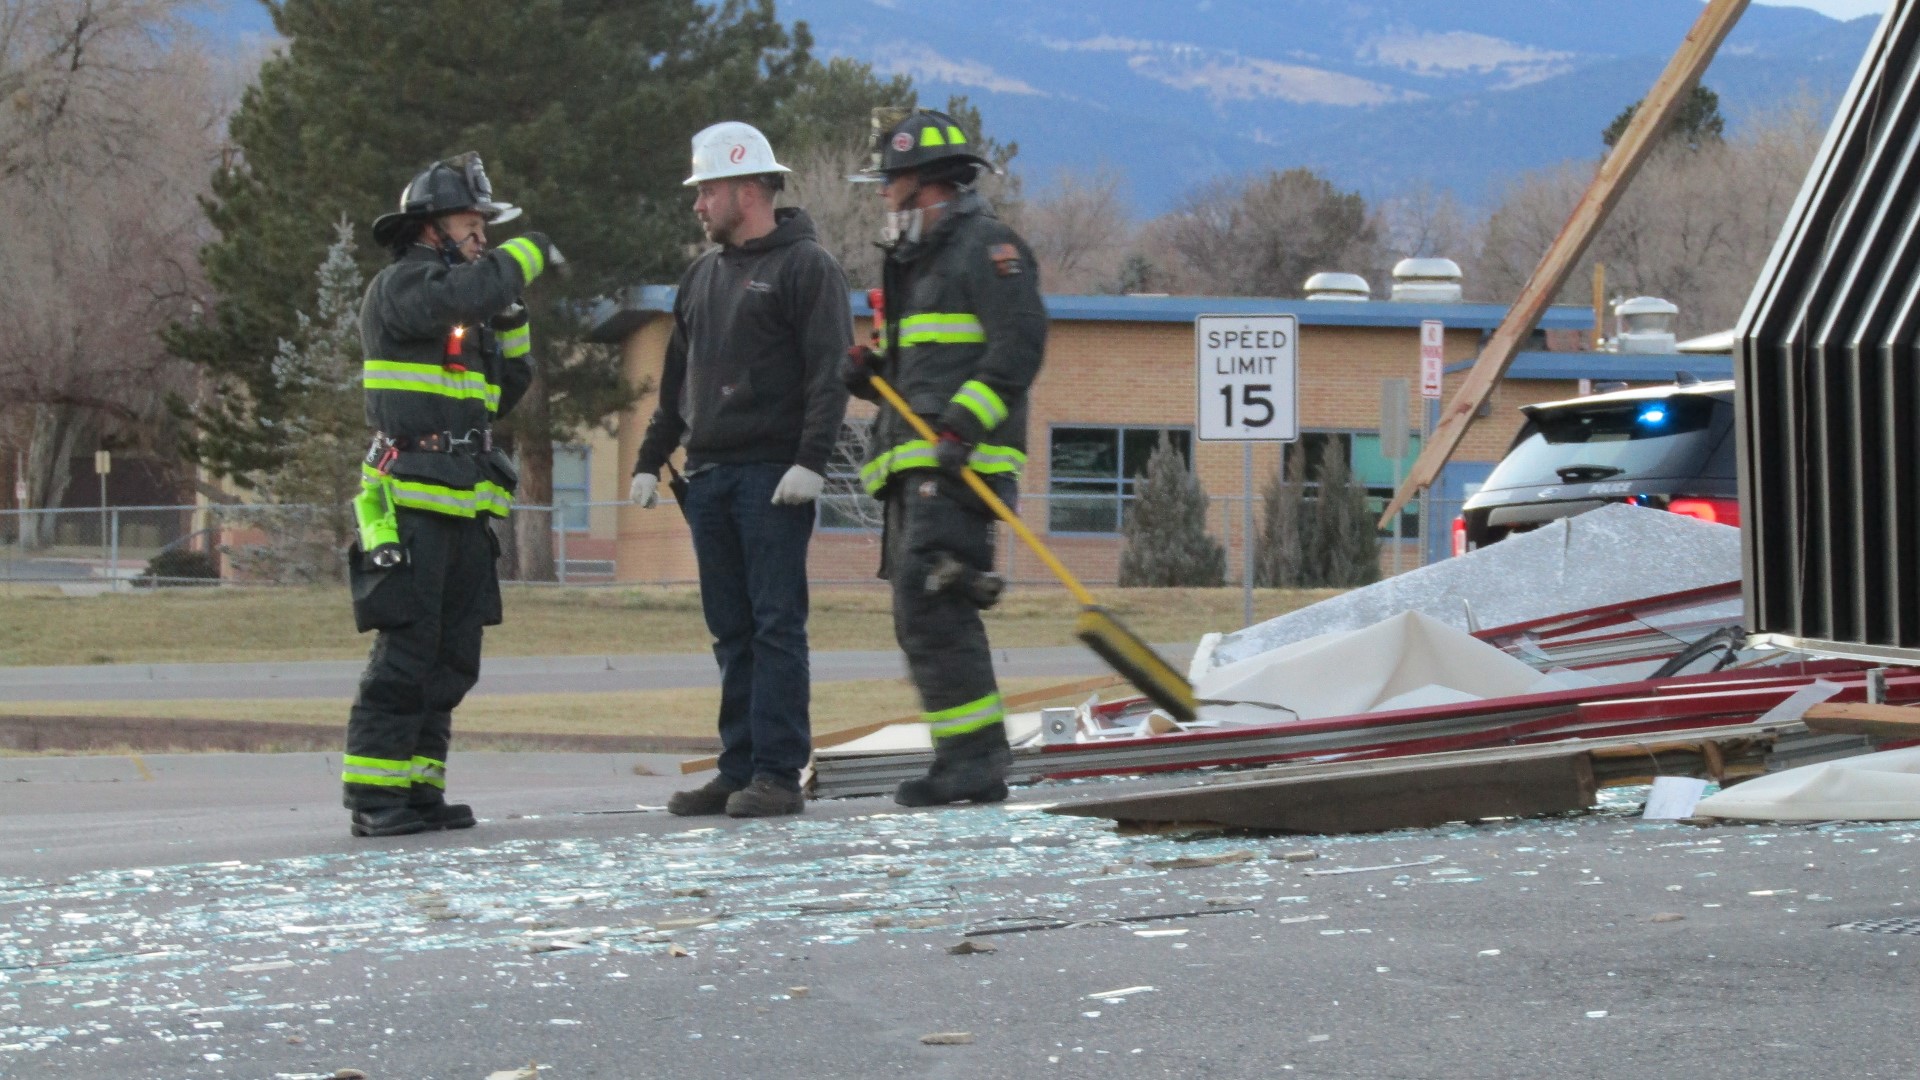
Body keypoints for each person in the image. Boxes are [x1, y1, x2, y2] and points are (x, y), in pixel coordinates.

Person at [631, 121, 853, 818]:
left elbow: (829, 373)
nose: (698, 205)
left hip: (772, 478)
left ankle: (777, 774)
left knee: (774, 625)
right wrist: (648, 460)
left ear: (747, 188)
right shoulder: (701, 278)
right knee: (730, 629)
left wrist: (811, 461)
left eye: (707, 191)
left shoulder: (807, 268)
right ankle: (737, 768)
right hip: (709, 477)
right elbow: (676, 385)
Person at [342, 152, 561, 837]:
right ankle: (374, 797)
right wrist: (527, 255)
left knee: (452, 658)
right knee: (406, 654)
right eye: (472, 225)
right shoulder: (403, 287)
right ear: (430, 227)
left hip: (464, 506)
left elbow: (505, 389)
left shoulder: (463, 310)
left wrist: (512, 316)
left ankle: (418, 789)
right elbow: (461, 295)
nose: (483, 238)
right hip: (410, 503)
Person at [842, 109, 1047, 807]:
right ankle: (967, 758)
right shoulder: (915, 260)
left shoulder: (989, 248)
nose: (882, 194)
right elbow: (923, 365)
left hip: (961, 466)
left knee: (935, 604)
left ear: (925, 182)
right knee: (920, 610)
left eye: (889, 180)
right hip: (919, 463)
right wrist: (871, 372)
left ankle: (975, 761)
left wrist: (962, 427)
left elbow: (1018, 347)